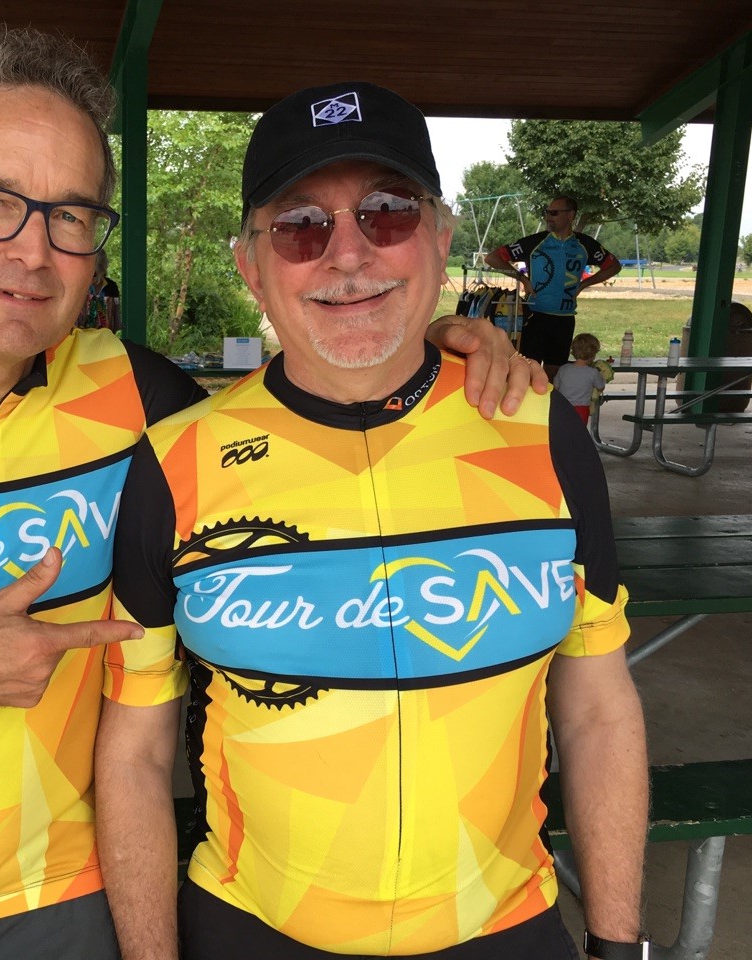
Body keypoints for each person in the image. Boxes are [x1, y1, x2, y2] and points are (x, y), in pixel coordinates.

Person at [0, 29, 542, 959]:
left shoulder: (143, 399)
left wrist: (435, 338)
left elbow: (299, 407)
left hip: (74, 900)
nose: (34, 252)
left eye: (72, 216)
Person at [100, 82, 648, 960]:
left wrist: (622, 945)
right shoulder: (172, 462)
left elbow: (598, 707)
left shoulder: (543, 430)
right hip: (254, 928)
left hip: (502, 928)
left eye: (386, 213)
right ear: (251, 264)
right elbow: (133, 748)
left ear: (439, 237)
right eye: (301, 226)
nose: (347, 256)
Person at [484, 196, 621, 380]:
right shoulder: (535, 242)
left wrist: (584, 284)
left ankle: (548, 408)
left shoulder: (585, 244)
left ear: (570, 215)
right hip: (534, 316)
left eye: (554, 213)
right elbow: (492, 258)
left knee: (554, 376)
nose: (548, 217)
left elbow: (614, 266)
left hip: (564, 320)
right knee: (526, 371)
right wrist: (522, 278)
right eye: (547, 212)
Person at [555, 332, 609, 425]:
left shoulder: (563, 369)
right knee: (579, 432)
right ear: (593, 354)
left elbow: (555, 387)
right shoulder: (593, 373)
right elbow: (601, 387)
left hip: (563, 407)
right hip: (581, 409)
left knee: (563, 431)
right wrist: (602, 377)